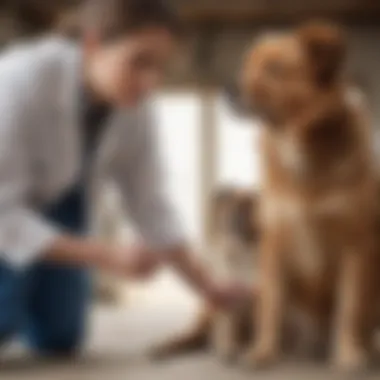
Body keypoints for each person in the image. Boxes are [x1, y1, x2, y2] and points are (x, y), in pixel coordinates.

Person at [0, 0, 250, 356]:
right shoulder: (17, 81)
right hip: (5, 207)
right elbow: (3, 215)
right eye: (139, 61)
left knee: (60, 339)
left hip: (57, 202)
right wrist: (103, 254)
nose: (150, 82)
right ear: (92, 45)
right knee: (2, 321)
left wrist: (209, 288)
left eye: (161, 67)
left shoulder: (134, 104)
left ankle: (25, 279)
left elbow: (152, 207)